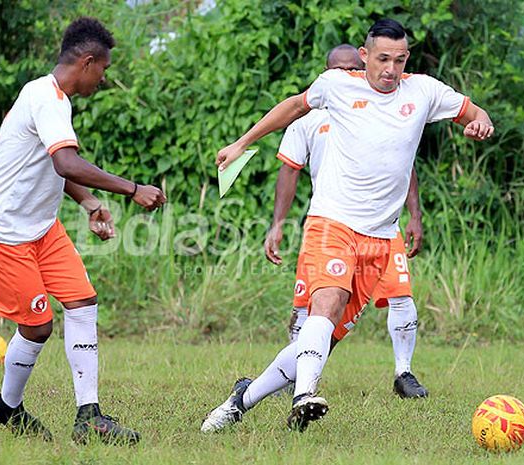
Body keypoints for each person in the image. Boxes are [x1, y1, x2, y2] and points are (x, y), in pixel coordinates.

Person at [204, 18, 493, 433]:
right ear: (364, 56)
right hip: (332, 222)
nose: (390, 69)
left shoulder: (424, 91)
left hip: (380, 237)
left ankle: (241, 399)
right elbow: (292, 106)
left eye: (399, 60)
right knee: (327, 302)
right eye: (382, 59)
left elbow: (472, 112)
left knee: (323, 340)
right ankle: (303, 396)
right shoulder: (337, 85)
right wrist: (241, 143)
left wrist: (480, 123)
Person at [0, 17, 166, 445]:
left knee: (82, 301)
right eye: (104, 69)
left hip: (40, 228)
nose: (104, 78)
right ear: (88, 62)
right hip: (0, 233)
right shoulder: (47, 97)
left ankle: (89, 416)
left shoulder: (48, 95)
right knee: (38, 326)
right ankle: (7, 407)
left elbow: (54, 164)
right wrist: (132, 190)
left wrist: (90, 202)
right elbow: (67, 163)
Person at [266, 44, 427, 399]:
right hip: (332, 225)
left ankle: (404, 372)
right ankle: (294, 377)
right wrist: (278, 223)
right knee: (313, 306)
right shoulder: (308, 120)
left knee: (401, 295)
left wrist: (414, 214)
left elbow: (403, 163)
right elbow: (289, 171)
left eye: (352, 69)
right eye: (338, 70)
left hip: (384, 226)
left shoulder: (381, 111)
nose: (346, 76)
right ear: (326, 73)